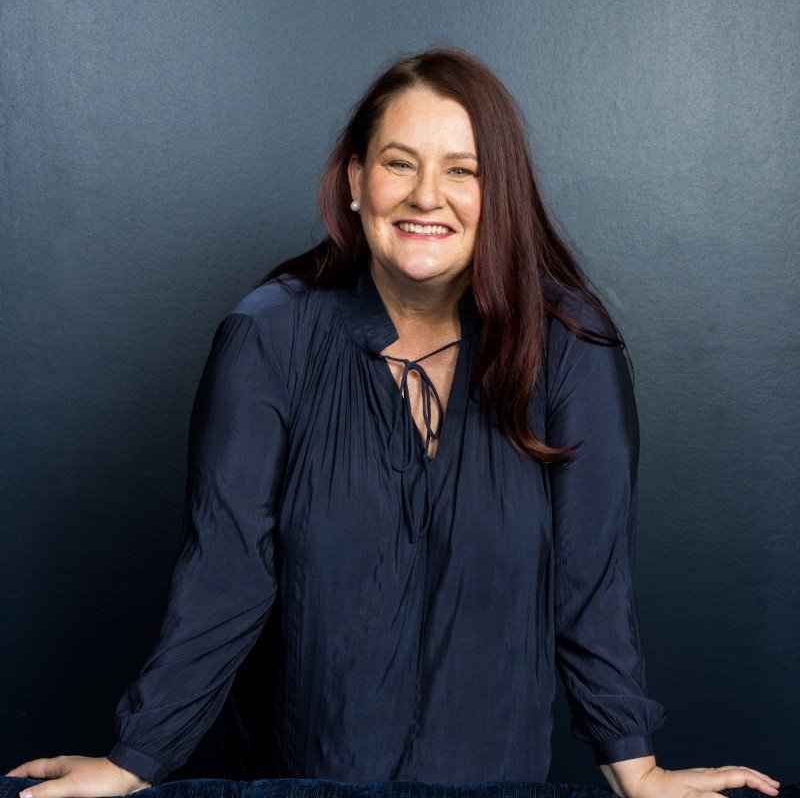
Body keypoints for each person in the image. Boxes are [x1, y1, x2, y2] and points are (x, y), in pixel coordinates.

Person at [5, 46, 781, 798]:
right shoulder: (268, 338)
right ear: (356, 180)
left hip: (495, 786)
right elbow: (224, 573)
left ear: (499, 192)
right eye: (399, 163)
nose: (426, 196)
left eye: (462, 170)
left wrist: (636, 770)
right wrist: (135, 760)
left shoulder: (571, 346)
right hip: (303, 783)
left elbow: (593, 585)